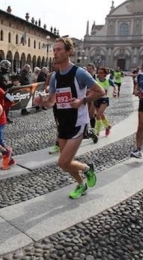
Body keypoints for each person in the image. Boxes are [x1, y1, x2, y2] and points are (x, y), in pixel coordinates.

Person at [33, 37, 104, 199]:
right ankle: (81, 184)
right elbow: (52, 101)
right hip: (62, 123)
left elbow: (100, 91)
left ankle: (87, 169)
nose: (55, 53)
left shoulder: (79, 73)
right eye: (54, 50)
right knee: (66, 163)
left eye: (59, 50)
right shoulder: (55, 77)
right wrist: (42, 102)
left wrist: (82, 101)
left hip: (78, 122)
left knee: (63, 162)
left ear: (68, 52)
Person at [94, 67, 116, 137]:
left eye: (101, 73)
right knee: (101, 115)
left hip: (104, 99)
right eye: (98, 72)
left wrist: (115, 92)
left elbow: (114, 86)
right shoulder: (95, 80)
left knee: (98, 115)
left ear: (105, 74)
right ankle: (107, 126)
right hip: (96, 99)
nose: (99, 74)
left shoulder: (108, 81)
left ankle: (97, 132)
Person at [0, 59, 13, 123]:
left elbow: (7, 82)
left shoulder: (5, 74)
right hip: (0, 93)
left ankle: (5, 116)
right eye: (7, 67)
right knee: (1, 105)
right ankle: (1, 117)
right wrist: (12, 84)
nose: (8, 69)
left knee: (10, 101)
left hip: (5, 92)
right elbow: (3, 85)